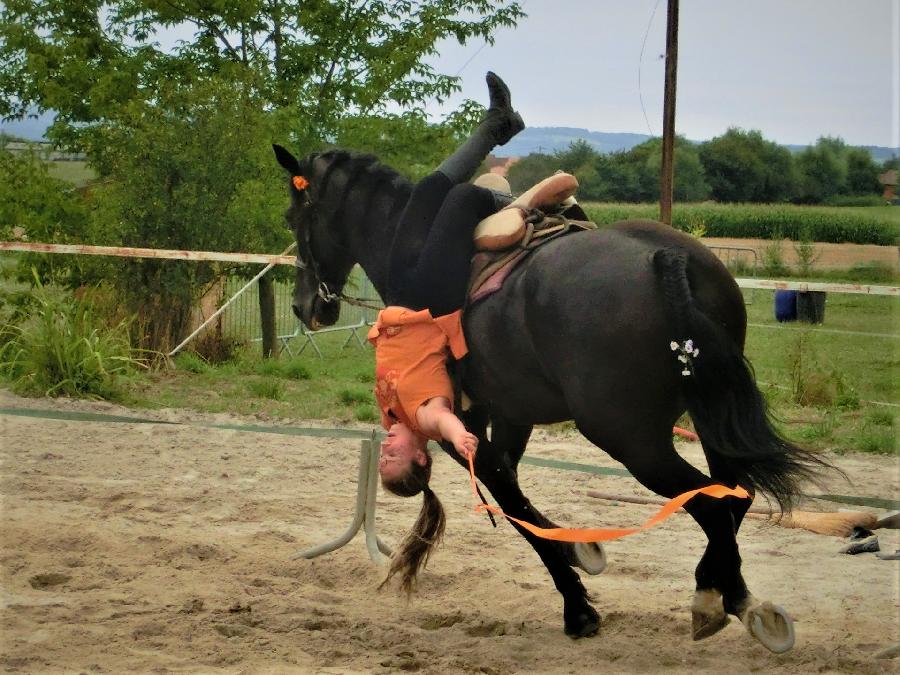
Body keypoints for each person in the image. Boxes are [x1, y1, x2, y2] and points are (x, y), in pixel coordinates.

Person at [368, 72, 524, 592]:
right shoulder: (429, 420)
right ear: (419, 456)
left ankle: (497, 125)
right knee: (459, 201)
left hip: (398, 298)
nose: (384, 449)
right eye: (393, 458)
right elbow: (449, 425)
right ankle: (518, 208)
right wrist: (465, 440)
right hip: (434, 303)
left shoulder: (392, 412)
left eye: (381, 458)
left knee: (427, 193)